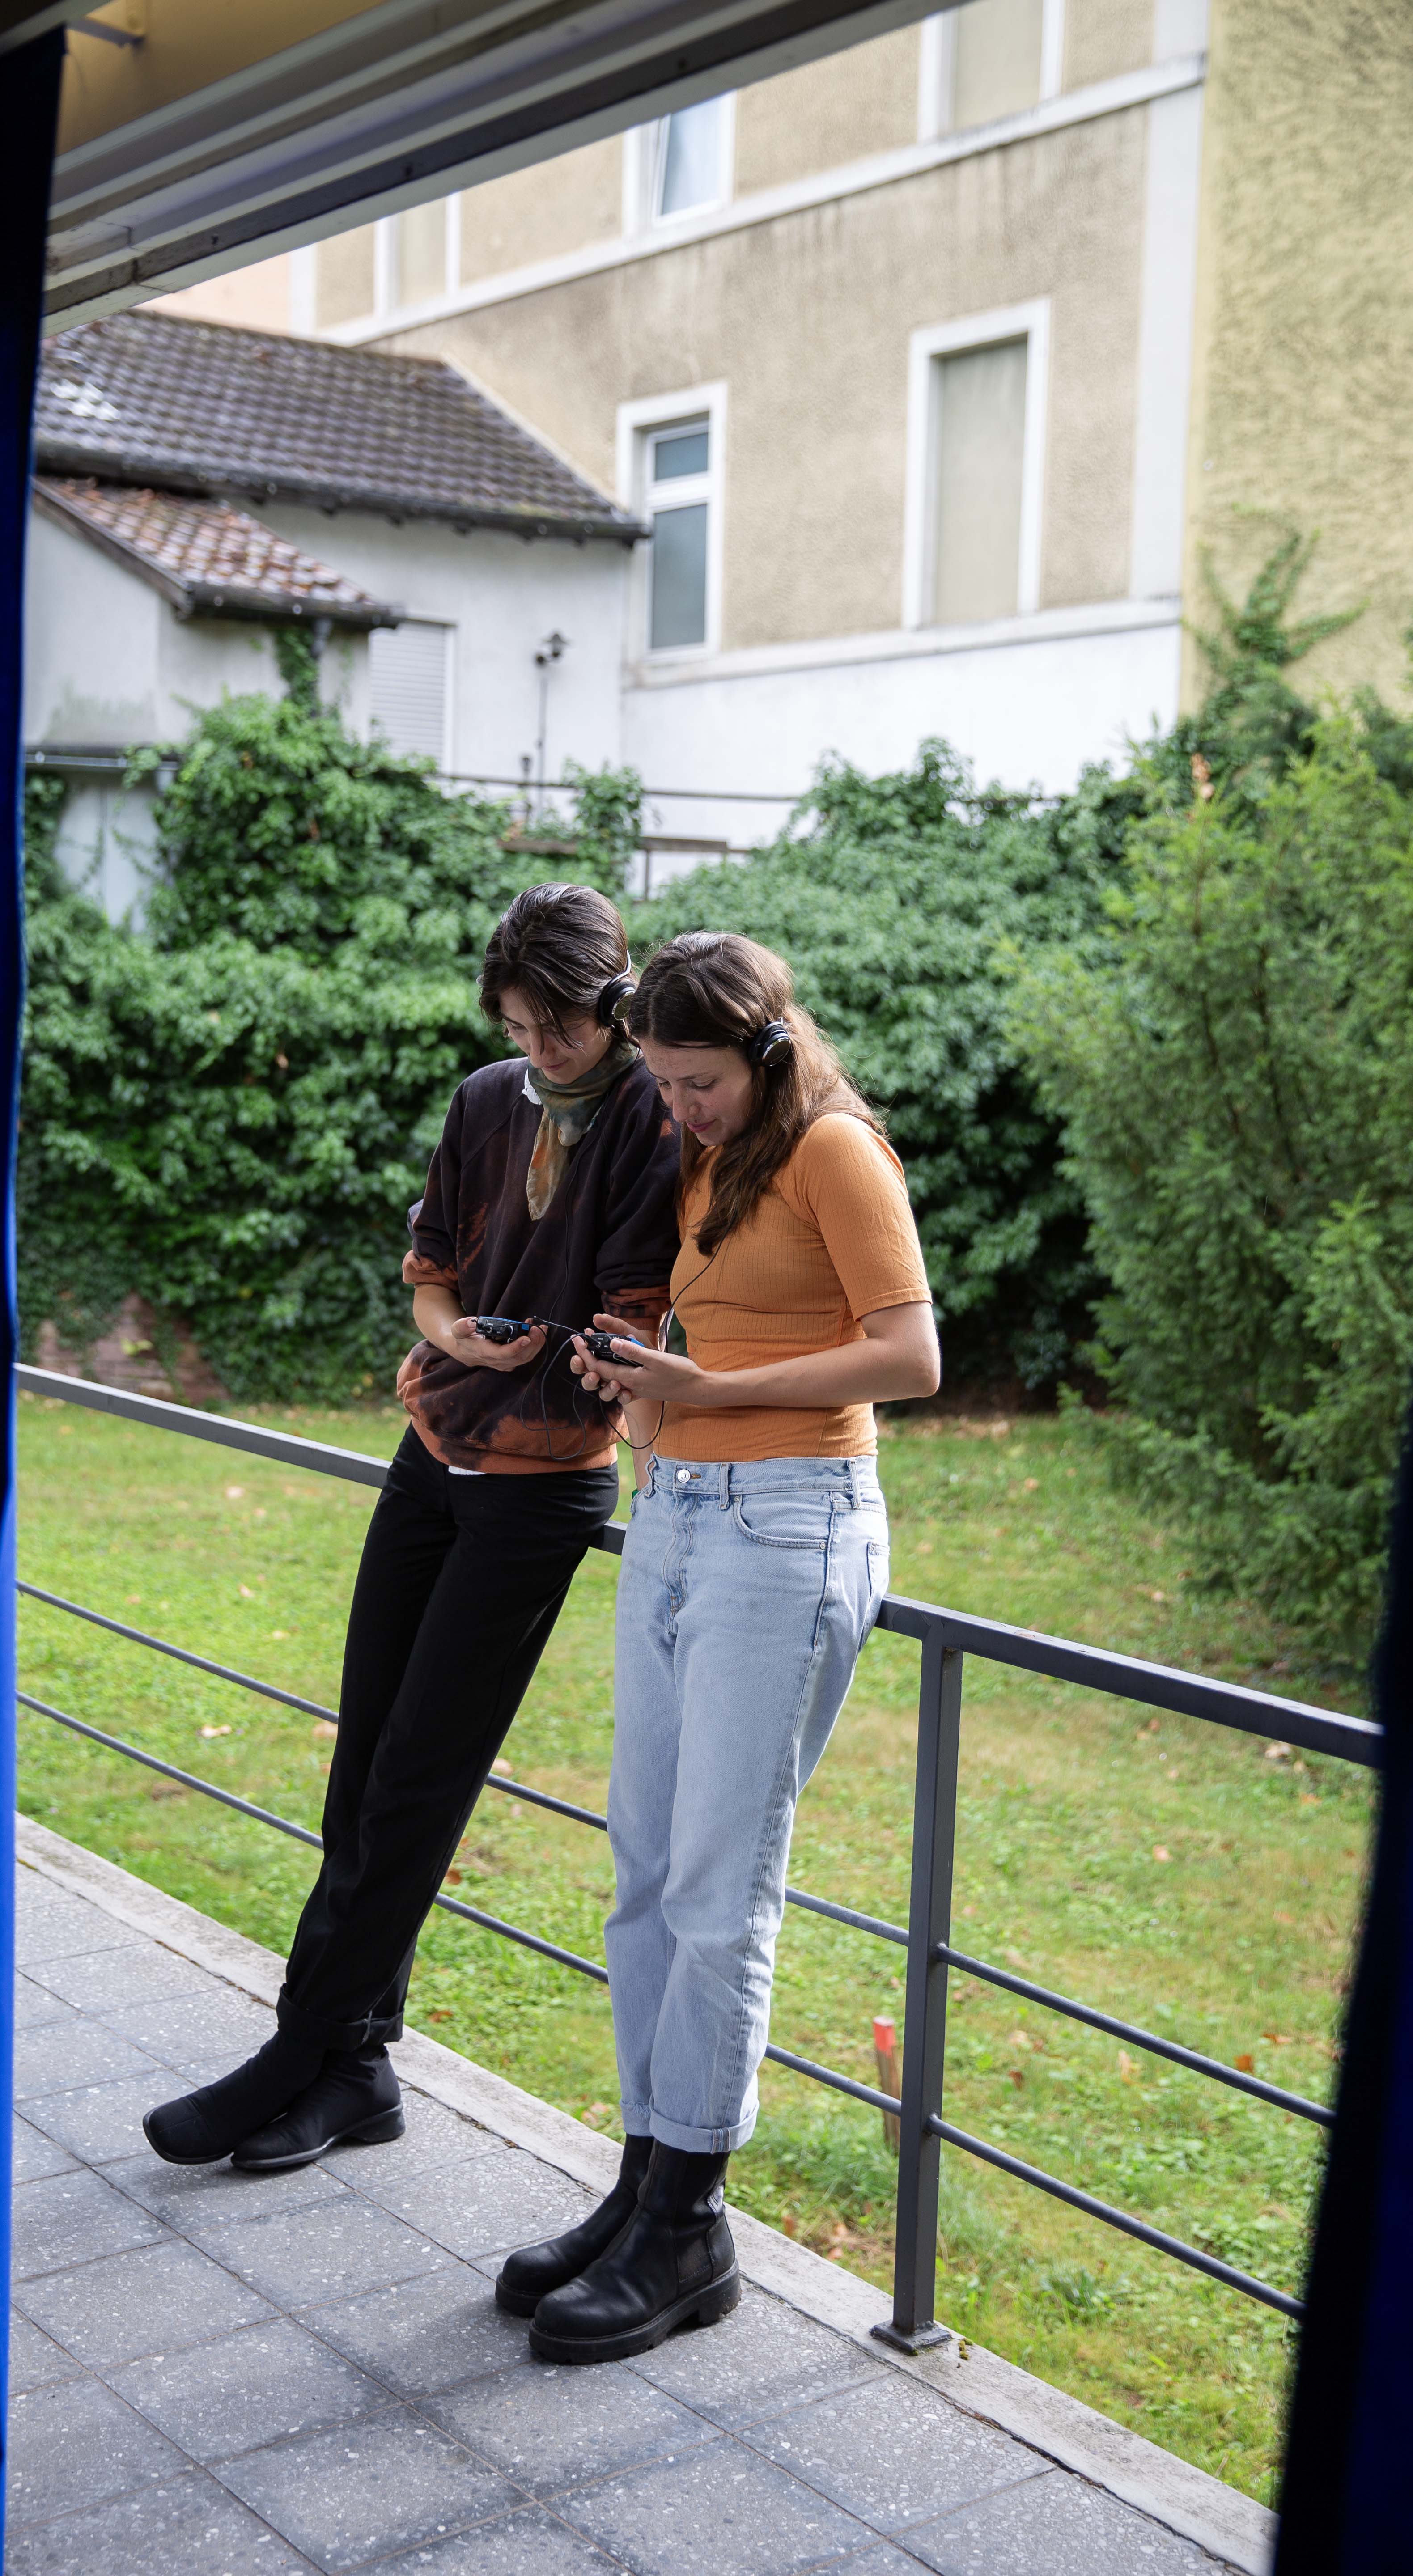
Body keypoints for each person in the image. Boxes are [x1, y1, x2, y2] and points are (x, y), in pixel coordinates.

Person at [144, 884, 679, 2171]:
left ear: (615, 1007)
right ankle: (354, 2069)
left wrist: (566, 1357)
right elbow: (433, 1275)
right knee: (364, 1768)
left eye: (561, 1029)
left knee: (419, 1781)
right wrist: (458, 1342)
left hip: (541, 1483)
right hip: (434, 1447)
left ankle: (297, 2050)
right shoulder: (486, 1100)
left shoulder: (655, 1116)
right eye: (518, 1026)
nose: (539, 1052)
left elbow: (634, 1321)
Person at [496, 931, 940, 2364]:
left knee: (716, 1888)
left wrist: (708, 1385)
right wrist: (638, 1388)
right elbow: (692, 1364)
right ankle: (643, 2186)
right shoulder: (708, 1159)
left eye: (698, 1083)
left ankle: (691, 2224)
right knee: (641, 1869)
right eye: (663, 1081)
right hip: (678, 1508)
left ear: (765, 1052)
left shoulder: (832, 1151)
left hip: (792, 1524)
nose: (676, 1107)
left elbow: (912, 1354)